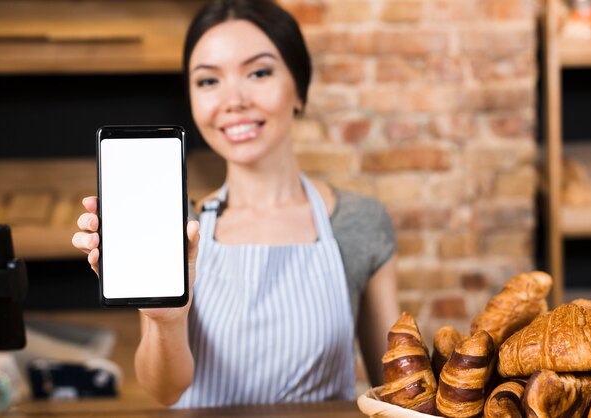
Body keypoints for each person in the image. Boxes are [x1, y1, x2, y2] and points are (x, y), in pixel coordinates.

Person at [72, 0, 399, 408]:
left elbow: (398, 391)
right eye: (208, 81)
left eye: (259, 72)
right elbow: (163, 390)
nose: (234, 99)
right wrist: (165, 319)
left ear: (299, 88)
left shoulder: (358, 223)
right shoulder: (177, 226)